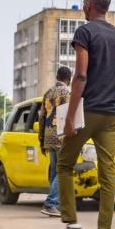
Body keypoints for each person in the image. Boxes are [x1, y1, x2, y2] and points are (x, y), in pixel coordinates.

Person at [53, 0, 115, 229]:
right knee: (108, 175)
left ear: (88, 5)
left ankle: (72, 227)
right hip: (112, 114)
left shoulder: (85, 32)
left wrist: (71, 116)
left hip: (89, 111)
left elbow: (81, 75)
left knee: (64, 165)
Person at [39, 66, 72, 217]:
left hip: (48, 136)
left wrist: (41, 140)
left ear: (57, 77)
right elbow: (70, 115)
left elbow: (41, 117)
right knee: (63, 170)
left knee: (54, 171)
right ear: (69, 79)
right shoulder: (67, 92)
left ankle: (56, 205)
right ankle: (50, 203)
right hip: (61, 136)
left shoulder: (48, 92)